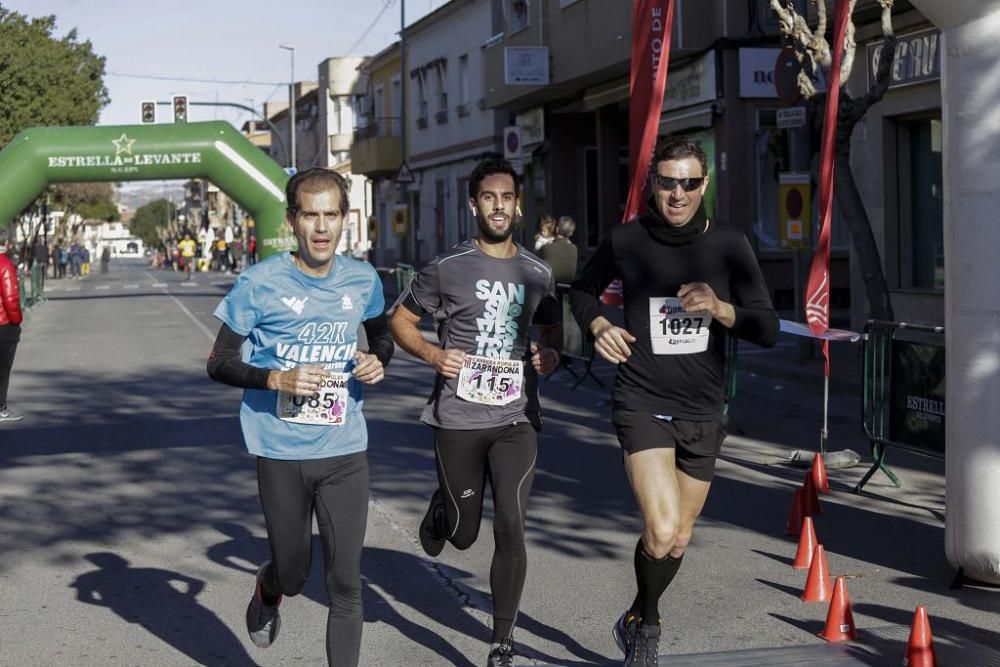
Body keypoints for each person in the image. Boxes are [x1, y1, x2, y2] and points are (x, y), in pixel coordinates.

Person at [569, 137, 778, 666]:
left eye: (689, 183)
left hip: (703, 410)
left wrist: (721, 308)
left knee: (679, 539)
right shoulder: (627, 240)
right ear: (652, 185)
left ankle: (637, 613)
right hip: (641, 399)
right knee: (659, 529)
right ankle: (650, 628)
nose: (678, 193)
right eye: (668, 182)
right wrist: (597, 324)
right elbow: (582, 290)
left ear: (704, 185)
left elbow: (768, 327)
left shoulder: (728, 244)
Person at [206, 167, 393, 667]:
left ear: (345, 219)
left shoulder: (363, 277)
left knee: (346, 582)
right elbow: (218, 362)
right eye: (310, 215)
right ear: (292, 220)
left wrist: (378, 359)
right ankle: (269, 591)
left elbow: (381, 335)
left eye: (331, 214)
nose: (321, 227)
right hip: (280, 450)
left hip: (344, 450)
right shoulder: (260, 282)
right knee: (293, 573)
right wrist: (275, 380)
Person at [390, 157, 562, 667]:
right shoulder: (446, 268)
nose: (499, 206)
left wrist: (549, 355)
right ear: (474, 205)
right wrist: (434, 355)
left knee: (511, 522)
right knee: (465, 535)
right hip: (458, 419)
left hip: (515, 418)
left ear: (518, 204)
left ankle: (501, 642)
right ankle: (444, 511)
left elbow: (551, 332)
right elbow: (400, 321)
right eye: (489, 197)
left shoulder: (538, 272)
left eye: (507, 197)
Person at [0, 243, 24, 422]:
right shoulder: (5, 264)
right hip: (3, 324)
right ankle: (1, 408)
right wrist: (16, 321)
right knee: (3, 368)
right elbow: (10, 298)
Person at [539, 215, 578, 285]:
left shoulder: (547, 247)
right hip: (567, 287)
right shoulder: (574, 249)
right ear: (571, 233)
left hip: (549, 286)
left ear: (557, 229)